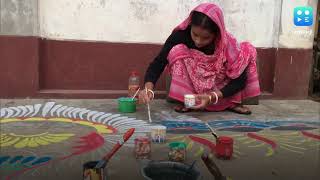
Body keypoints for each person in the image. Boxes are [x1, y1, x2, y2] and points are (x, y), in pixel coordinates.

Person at [138, 3, 260, 114]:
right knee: (176, 51)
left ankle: (231, 102)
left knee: (246, 52)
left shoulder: (227, 44)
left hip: (218, 88)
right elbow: (158, 63)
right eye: (195, 34)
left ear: (216, 34)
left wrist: (213, 96)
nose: (198, 41)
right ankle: (189, 102)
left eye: (206, 38)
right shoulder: (180, 35)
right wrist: (148, 89)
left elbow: (240, 81)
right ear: (190, 25)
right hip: (195, 81)